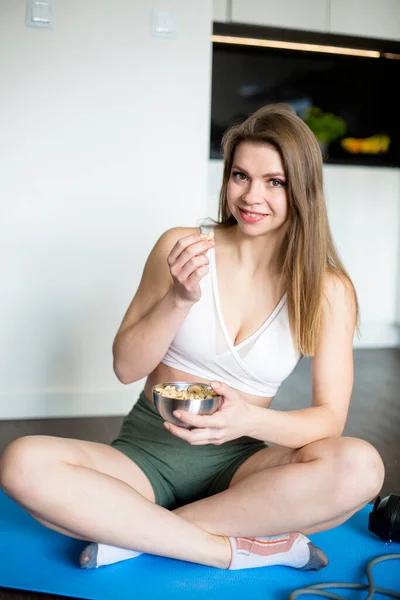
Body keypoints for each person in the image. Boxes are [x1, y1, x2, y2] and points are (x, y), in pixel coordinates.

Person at [0, 104, 385, 573]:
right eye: (240, 176)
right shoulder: (181, 246)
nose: (251, 196)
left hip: (241, 467)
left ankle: (134, 534)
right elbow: (125, 367)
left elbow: (329, 419)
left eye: (274, 182)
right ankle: (231, 550)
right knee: (22, 462)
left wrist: (245, 419)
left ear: (302, 190)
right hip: (145, 455)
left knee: (360, 467)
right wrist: (179, 298)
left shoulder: (327, 289)